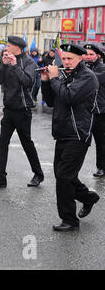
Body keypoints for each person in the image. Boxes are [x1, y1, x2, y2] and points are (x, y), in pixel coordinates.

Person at [41, 43, 100, 232]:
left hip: (78, 133)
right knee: (63, 174)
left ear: (80, 58)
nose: (65, 62)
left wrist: (55, 79)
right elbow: (51, 101)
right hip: (62, 132)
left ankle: (69, 220)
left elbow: (68, 97)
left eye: (70, 59)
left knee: (64, 177)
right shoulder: (65, 75)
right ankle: (88, 197)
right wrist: (45, 81)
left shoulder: (87, 77)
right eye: (64, 59)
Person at [0, 36, 44, 189]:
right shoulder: (5, 60)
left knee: (27, 143)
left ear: (17, 47)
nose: (6, 47)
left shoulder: (29, 62)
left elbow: (28, 81)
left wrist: (15, 64)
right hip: (9, 109)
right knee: (2, 143)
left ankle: (38, 174)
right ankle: (0, 177)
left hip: (23, 110)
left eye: (9, 45)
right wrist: (4, 65)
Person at [83, 43, 105, 178]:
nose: (88, 57)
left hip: (100, 111)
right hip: (85, 111)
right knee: (81, 141)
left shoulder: (102, 69)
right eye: (85, 54)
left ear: (98, 56)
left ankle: (101, 167)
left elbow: (90, 79)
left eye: (91, 54)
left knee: (101, 141)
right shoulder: (83, 68)